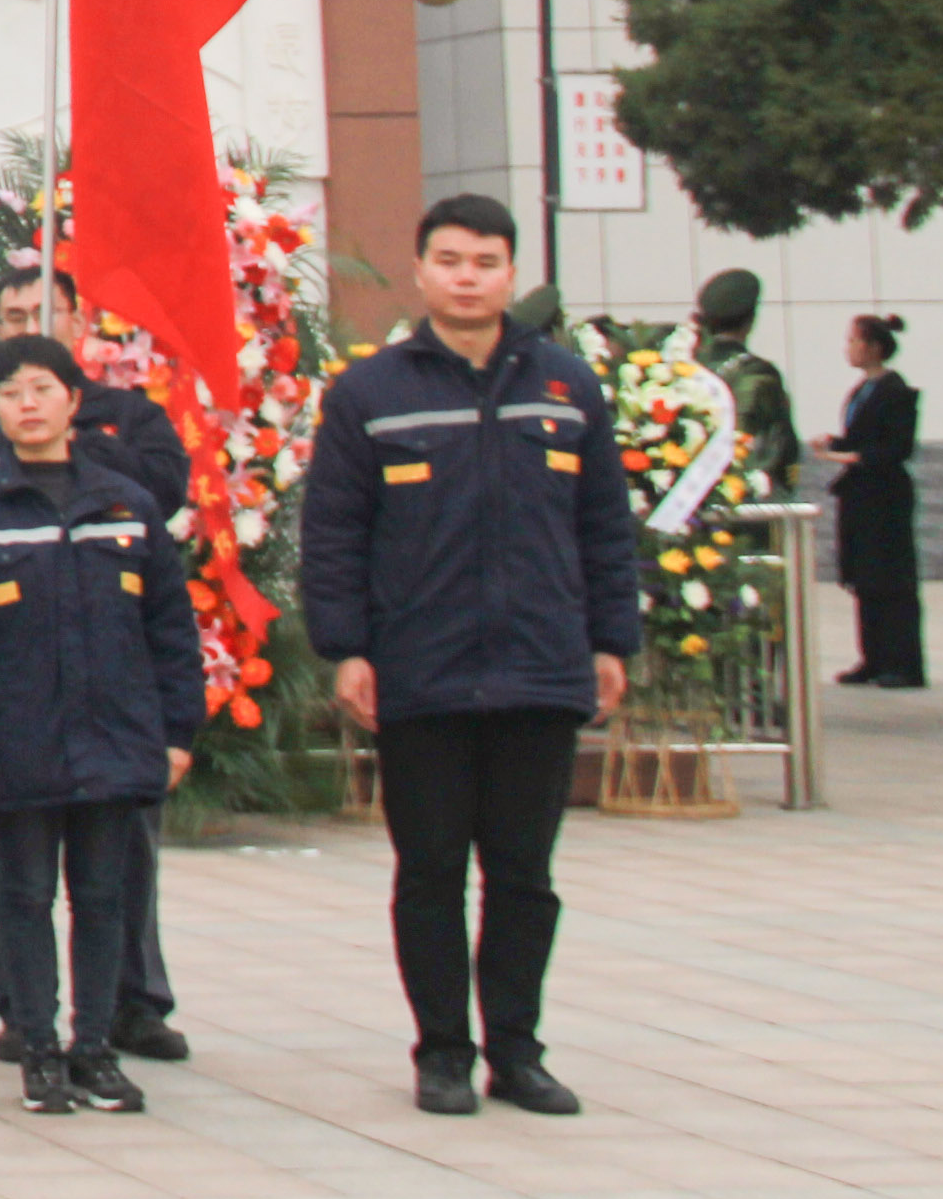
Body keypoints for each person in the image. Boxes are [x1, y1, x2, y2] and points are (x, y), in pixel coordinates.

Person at [300, 196, 635, 1119]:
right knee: (432, 869)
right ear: (421, 272)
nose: (466, 276)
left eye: (485, 261)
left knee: (525, 875)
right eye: (449, 260)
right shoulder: (371, 394)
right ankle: (443, 1049)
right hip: (421, 672)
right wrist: (348, 649)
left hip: (541, 666)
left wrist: (612, 639)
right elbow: (333, 534)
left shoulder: (566, 386)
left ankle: (518, 1052)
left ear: (510, 273)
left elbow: (605, 526)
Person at [0, 332, 205, 1116]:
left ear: (75, 402)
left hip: (114, 738)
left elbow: (170, 630)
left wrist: (177, 731)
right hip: (19, 745)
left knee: (105, 896)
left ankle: (95, 1048)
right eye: (10, 394)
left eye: (43, 389)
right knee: (24, 894)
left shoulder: (126, 504)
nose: (29, 405)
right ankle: (38, 1048)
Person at [828, 313, 924, 687]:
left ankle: (903, 662)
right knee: (864, 577)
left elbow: (897, 446)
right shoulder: (861, 389)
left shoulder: (896, 390)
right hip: (860, 494)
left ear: (873, 347)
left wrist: (857, 457)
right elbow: (859, 438)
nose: (848, 348)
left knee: (891, 578)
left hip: (885, 496)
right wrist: (836, 445)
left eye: (854, 341)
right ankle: (873, 656)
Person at [695, 269, 800, 487]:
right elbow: (781, 445)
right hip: (741, 494)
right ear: (751, 320)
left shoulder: (686, 368)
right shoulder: (759, 373)